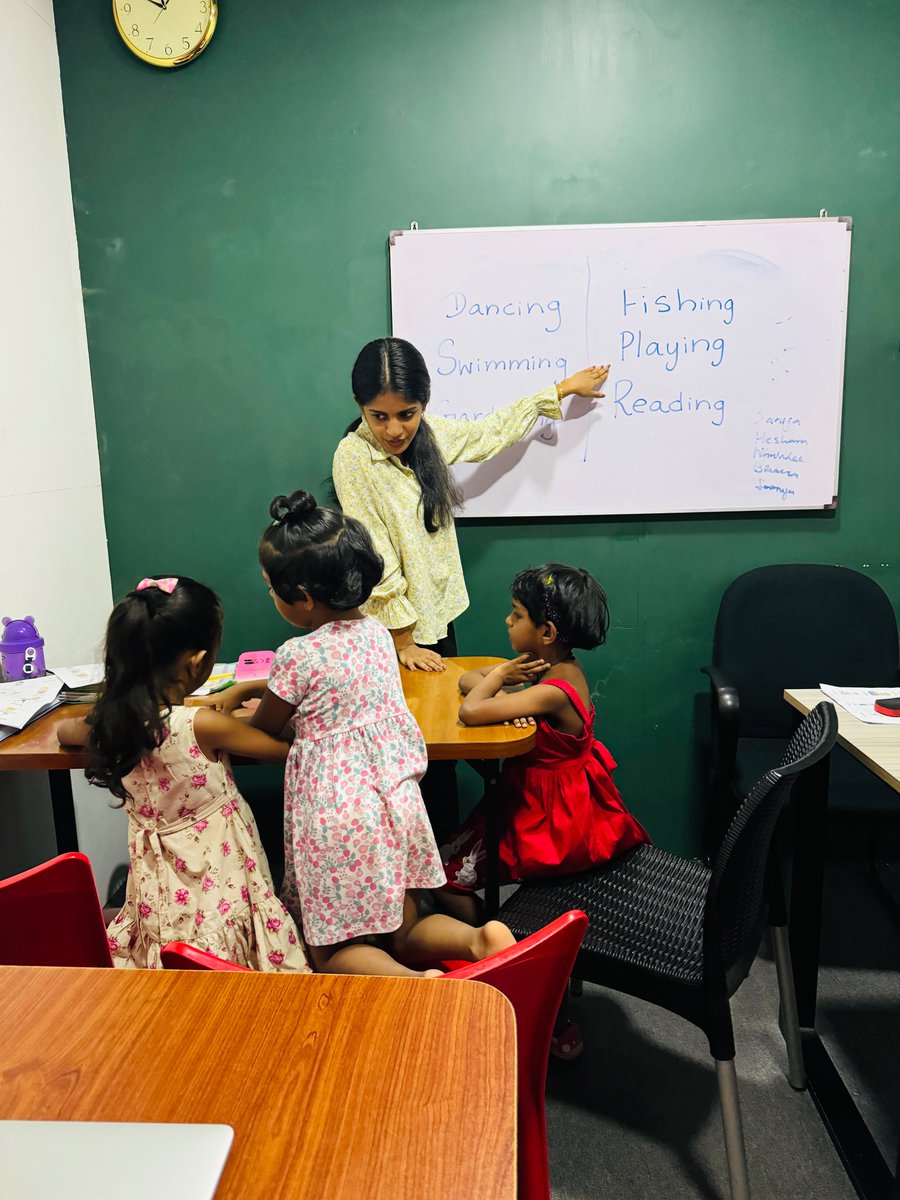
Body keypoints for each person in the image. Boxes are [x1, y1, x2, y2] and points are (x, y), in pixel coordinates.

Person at [239, 488, 515, 977]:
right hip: (395, 804)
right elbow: (333, 693)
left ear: (302, 599)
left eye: (269, 586)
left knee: (331, 950)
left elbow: (266, 729)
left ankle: (417, 986)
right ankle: (478, 941)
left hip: (336, 819)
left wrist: (231, 708)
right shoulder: (377, 637)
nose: (268, 594)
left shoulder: (297, 655)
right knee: (402, 927)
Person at [440, 562, 650, 1055]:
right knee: (452, 859)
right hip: (553, 802)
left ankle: (506, 969)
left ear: (546, 631)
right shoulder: (558, 668)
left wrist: (500, 679)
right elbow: (472, 681)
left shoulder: (552, 690)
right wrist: (502, 675)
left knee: (447, 875)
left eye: (515, 616)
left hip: (554, 824)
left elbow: (472, 709)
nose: (506, 623)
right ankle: (499, 955)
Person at [57, 575, 310, 973]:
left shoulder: (111, 724)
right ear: (197, 663)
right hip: (219, 877)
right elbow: (284, 750)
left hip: (157, 889)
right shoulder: (202, 725)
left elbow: (65, 732)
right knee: (227, 946)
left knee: (173, 951)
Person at [332, 338, 609, 673]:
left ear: (424, 403)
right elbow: (374, 552)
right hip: (393, 632)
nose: (393, 430)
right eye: (379, 416)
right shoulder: (354, 456)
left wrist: (561, 390)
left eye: (407, 415)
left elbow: (488, 434)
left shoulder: (431, 435)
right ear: (358, 405)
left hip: (434, 616)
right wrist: (403, 641)